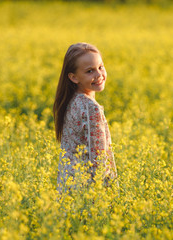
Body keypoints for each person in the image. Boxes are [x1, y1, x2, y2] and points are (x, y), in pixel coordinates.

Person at [53, 43, 117, 194]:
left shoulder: (71, 101)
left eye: (100, 67)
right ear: (74, 77)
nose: (99, 74)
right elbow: (99, 161)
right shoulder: (91, 109)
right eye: (90, 71)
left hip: (68, 191)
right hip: (89, 195)